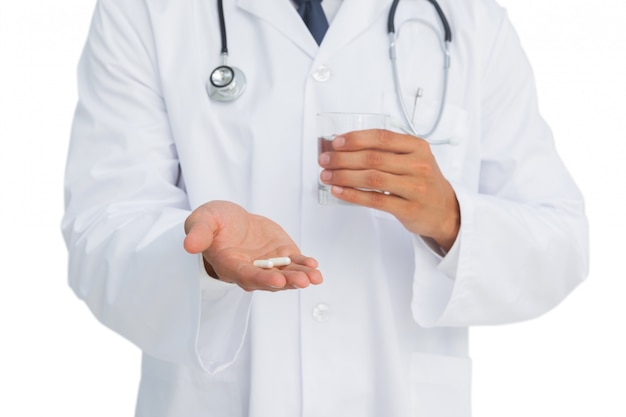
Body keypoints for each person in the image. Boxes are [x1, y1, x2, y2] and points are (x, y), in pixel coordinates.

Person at [62, 0, 589, 416]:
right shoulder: (145, 12)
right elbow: (102, 228)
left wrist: (448, 217)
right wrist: (203, 259)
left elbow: (562, 241)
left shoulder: (470, 20)